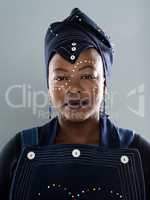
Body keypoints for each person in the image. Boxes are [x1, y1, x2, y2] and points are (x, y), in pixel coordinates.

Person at [0, 8, 150, 200]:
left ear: (105, 84)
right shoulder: (18, 150)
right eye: (61, 77)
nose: (73, 88)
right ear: (48, 85)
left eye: (87, 75)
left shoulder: (139, 153)